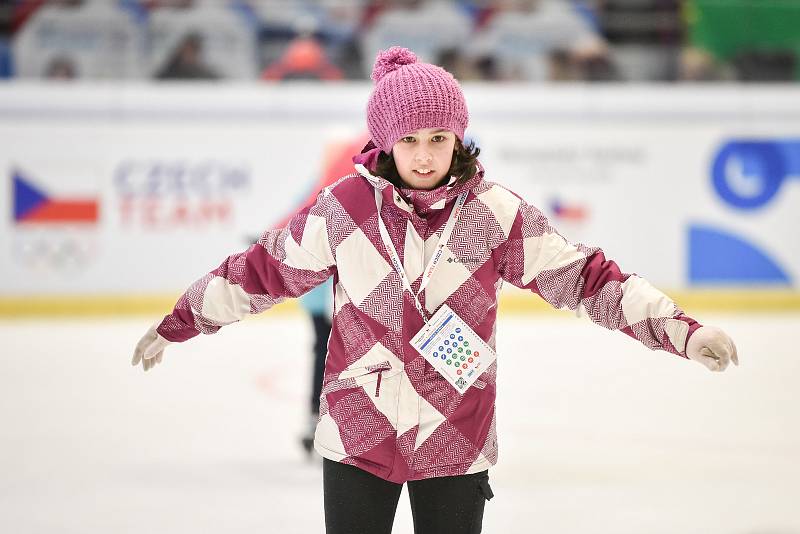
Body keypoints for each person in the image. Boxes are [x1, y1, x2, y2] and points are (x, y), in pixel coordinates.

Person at [132, 46, 739, 534]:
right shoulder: (345, 210)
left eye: (439, 139)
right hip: (358, 434)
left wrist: (683, 332)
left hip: (455, 436)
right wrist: (178, 322)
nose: (425, 156)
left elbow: (586, 278)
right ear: (386, 141)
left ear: (458, 139)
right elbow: (260, 272)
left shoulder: (492, 215)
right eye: (411, 140)